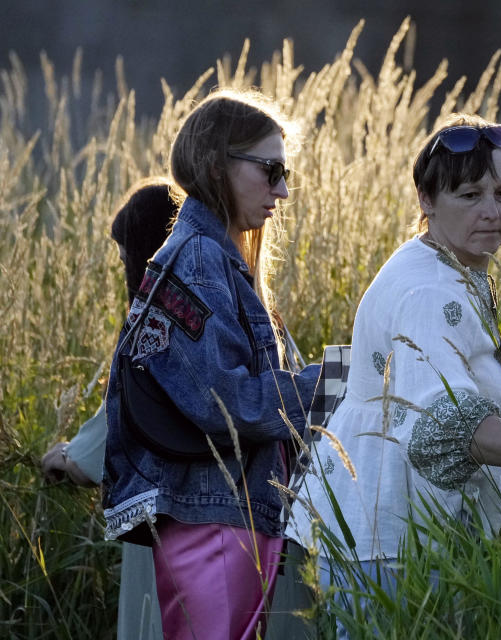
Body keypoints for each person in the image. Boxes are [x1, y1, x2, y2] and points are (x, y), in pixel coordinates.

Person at [289, 114, 501, 631]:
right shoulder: (430, 291)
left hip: (392, 534)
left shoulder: (447, 263)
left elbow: (422, 384)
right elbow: (450, 428)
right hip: (393, 543)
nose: (493, 212)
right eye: (470, 196)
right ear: (426, 201)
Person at [101, 91, 323, 640]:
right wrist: (334, 382)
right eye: (270, 170)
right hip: (211, 517)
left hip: (228, 511)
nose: (283, 189)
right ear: (216, 164)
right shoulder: (198, 257)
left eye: (285, 171)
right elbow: (225, 402)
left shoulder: (213, 255)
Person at [41, 178, 179, 640]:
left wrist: (63, 456)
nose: (121, 266)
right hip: (249, 529)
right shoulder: (246, 300)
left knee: (154, 621)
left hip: (162, 524)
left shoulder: (151, 327)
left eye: (125, 255)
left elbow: (105, 440)